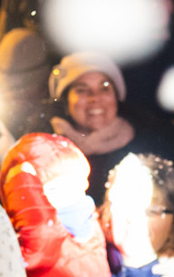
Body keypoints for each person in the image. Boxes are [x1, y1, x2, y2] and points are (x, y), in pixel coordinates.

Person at [0, 132, 111, 277]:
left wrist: (22, 180)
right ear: (35, 196)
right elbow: (39, 243)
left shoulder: (88, 223)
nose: (69, 196)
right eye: (55, 189)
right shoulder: (33, 236)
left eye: (73, 185)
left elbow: (39, 246)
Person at [47, 52, 150, 205]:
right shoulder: (48, 152)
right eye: (82, 90)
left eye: (105, 88)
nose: (95, 98)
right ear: (66, 102)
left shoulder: (146, 148)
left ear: (116, 97)